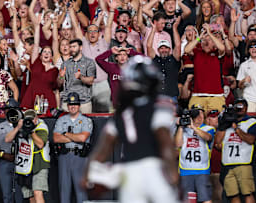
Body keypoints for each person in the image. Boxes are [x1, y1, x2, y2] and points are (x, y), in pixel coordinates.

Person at [83, 56, 179, 203]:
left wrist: (88, 174)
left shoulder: (121, 114)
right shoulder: (158, 107)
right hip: (153, 170)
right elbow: (165, 142)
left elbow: (103, 150)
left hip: (129, 173)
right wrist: (173, 174)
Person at [70, 0, 115, 113]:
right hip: (86, 85)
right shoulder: (83, 43)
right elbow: (76, 26)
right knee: (86, 116)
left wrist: (112, 10)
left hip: (102, 85)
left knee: (104, 115)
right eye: (90, 31)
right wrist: (70, 10)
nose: (93, 33)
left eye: (95, 31)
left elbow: (108, 26)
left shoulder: (104, 43)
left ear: (99, 33)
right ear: (87, 34)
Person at [214, 98, 256, 203]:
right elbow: (217, 143)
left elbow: (251, 140)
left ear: (246, 108)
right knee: (233, 195)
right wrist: (222, 126)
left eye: (241, 106)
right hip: (228, 164)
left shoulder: (251, 122)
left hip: (243, 163)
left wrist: (236, 129)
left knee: (247, 193)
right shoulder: (227, 122)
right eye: (237, 106)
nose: (239, 108)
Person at [53, 92, 93, 203]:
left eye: (75, 104)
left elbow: (83, 138)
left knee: (81, 191)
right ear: (67, 105)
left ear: (79, 105)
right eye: (71, 104)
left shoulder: (86, 120)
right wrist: (74, 137)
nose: (73, 106)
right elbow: (56, 138)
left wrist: (65, 133)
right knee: (64, 191)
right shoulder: (61, 120)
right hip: (64, 156)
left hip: (79, 156)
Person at [5, 109, 50, 203]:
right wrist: (18, 127)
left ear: (36, 119)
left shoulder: (42, 126)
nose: (30, 122)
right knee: (30, 195)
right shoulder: (21, 126)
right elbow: (7, 139)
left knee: (37, 192)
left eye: (32, 119)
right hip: (26, 165)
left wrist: (31, 131)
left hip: (39, 164)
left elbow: (41, 144)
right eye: (28, 119)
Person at [175, 104, 215, 203]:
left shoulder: (208, 128)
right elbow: (177, 144)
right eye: (197, 114)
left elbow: (208, 137)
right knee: (188, 199)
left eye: (202, 114)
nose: (200, 116)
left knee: (205, 198)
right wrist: (181, 126)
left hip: (202, 170)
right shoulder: (183, 130)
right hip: (186, 169)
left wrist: (194, 127)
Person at [184, 23, 225, 112]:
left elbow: (222, 48)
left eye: (209, 40)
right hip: (197, 95)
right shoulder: (197, 52)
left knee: (215, 121)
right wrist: (199, 37)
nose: (206, 42)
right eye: (204, 41)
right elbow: (186, 50)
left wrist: (210, 33)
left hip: (216, 95)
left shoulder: (217, 53)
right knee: (195, 120)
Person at [57, 39, 96, 113]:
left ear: (81, 47)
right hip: (67, 101)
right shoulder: (65, 64)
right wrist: (61, 77)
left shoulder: (89, 62)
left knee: (86, 124)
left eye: (74, 46)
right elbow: (59, 85)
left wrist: (81, 77)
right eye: (70, 47)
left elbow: (91, 81)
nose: (72, 49)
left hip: (84, 101)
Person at [148, 16, 181, 101]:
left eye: (166, 48)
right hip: (156, 97)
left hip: (171, 97)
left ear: (169, 49)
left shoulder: (174, 59)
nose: (164, 50)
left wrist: (174, 28)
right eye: (161, 48)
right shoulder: (155, 60)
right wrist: (153, 29)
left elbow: (178, 45)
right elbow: (148, 46)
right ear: (158, 50)